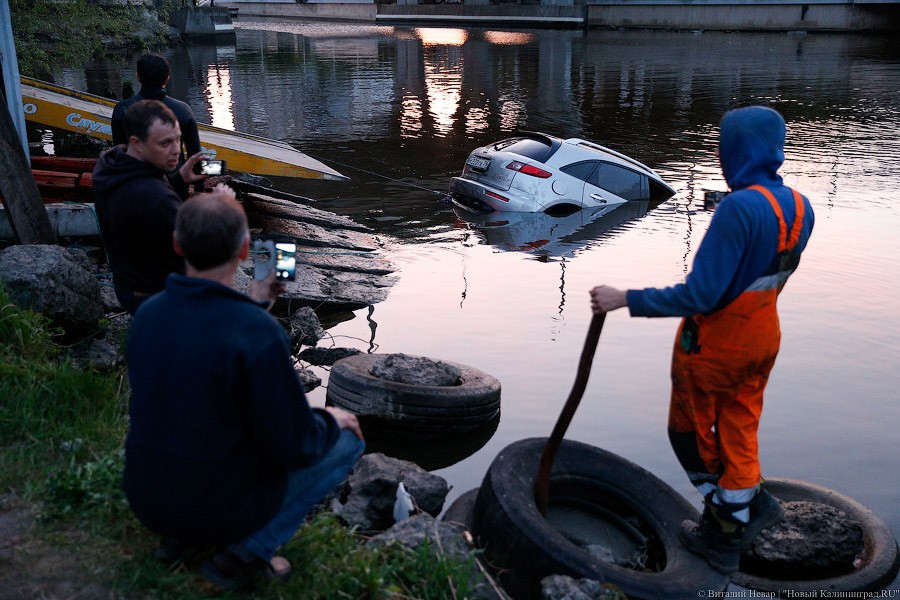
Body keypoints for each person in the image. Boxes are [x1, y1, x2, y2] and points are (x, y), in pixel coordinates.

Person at [589, 106, 814, 574]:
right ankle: (754, 502)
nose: (717, 151)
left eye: (722, 143)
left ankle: (725, 532)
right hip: (764, 337)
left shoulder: (737, 209)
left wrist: (624, 298)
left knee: (690, 435)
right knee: (739, 428)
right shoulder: (799, 205)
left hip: (715, 346)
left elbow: (701, 294)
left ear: (738, 149)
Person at [124, 188, 365, 591]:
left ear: (176, 243)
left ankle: (183, 541)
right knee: (346, 439)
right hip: (216, 507)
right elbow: (296, 445)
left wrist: (256, 304)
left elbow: (204, 361)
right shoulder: (255, 333)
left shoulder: (148, 315)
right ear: (244, 251)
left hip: (149, 501)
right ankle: (243, 555)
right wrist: (328, 417)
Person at [93, 99, 207, 314]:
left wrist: (178, 178)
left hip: (129, 284)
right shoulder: (156, 198)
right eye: (165, 144)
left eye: (178, 141)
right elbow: (197, 252)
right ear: (136, 143)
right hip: (158, 296)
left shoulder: (111, 165)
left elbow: (138, 198)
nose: (176, 151)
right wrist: (220, 208)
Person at [110, 53, 202, 162]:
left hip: (136, 177)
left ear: (138, 76)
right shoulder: (183, 110)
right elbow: (196, 160)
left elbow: (119, 156)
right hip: (175, 176)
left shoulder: (122, 109)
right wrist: (216, 169)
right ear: (167, 78)